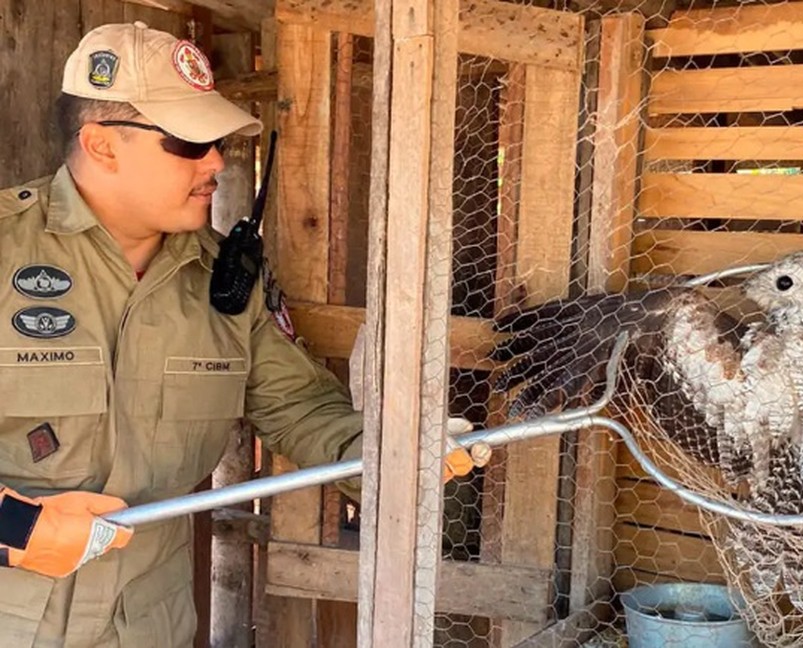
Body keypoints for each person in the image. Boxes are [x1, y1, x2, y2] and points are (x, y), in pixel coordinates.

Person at [0, 21, 475, 646]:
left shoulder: (227, 279)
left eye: (216, 140)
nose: (216, 161)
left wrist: (398, 455)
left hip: (149, 626)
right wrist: (11, 525)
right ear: (102, 144)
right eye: (188, 142)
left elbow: (299, 407)